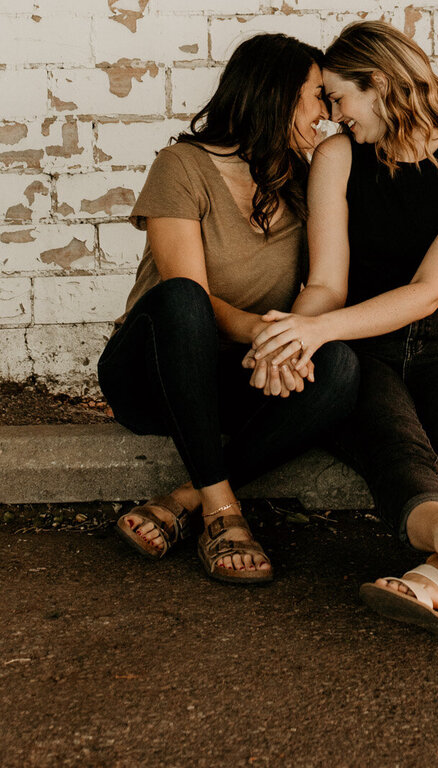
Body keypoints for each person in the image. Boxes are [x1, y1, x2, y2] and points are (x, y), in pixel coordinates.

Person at [250, 20, 438, 640]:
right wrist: (293, 336)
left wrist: (313, 332)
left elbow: (428, 293)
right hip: (362, 345)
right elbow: (328, 283)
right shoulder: (340, 157)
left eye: (339, 98)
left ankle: (436, 575)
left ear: (383, 85)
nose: (332, 116)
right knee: (397, 444)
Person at [97, 32, 360, 586]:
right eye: (317, 96)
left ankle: (184, 500)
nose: (326, 115)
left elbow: (341, 270)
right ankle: (222, 512)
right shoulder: (182, 166)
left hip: (235, 379)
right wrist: (271, 337)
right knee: (183, 300)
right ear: (279, 94)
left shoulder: (306, 180)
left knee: (341, 368)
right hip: (152, 376)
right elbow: (184, 288)